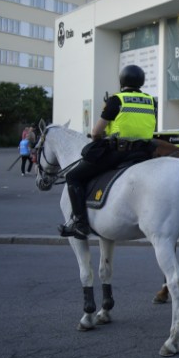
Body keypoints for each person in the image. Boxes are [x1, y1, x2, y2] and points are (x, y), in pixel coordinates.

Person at [60, 65, 158, 239]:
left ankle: (80, 223)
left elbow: (96, 132)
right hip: (145, 153)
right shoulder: (151, 101)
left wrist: (99, 138)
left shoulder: (116, 100)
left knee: (73, 177)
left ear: (122, 81)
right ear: (141, 81)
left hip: (120, 152)